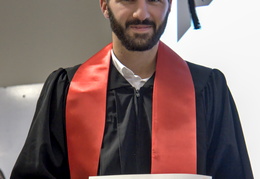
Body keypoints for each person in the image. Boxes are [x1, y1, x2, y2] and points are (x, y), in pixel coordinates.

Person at [11, 0, 253, 178]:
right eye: (128, 0)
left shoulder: (206, 89)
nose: (142, 13)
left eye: (154, 0)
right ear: (104, 5)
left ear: (169, 5)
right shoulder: (67, 90)